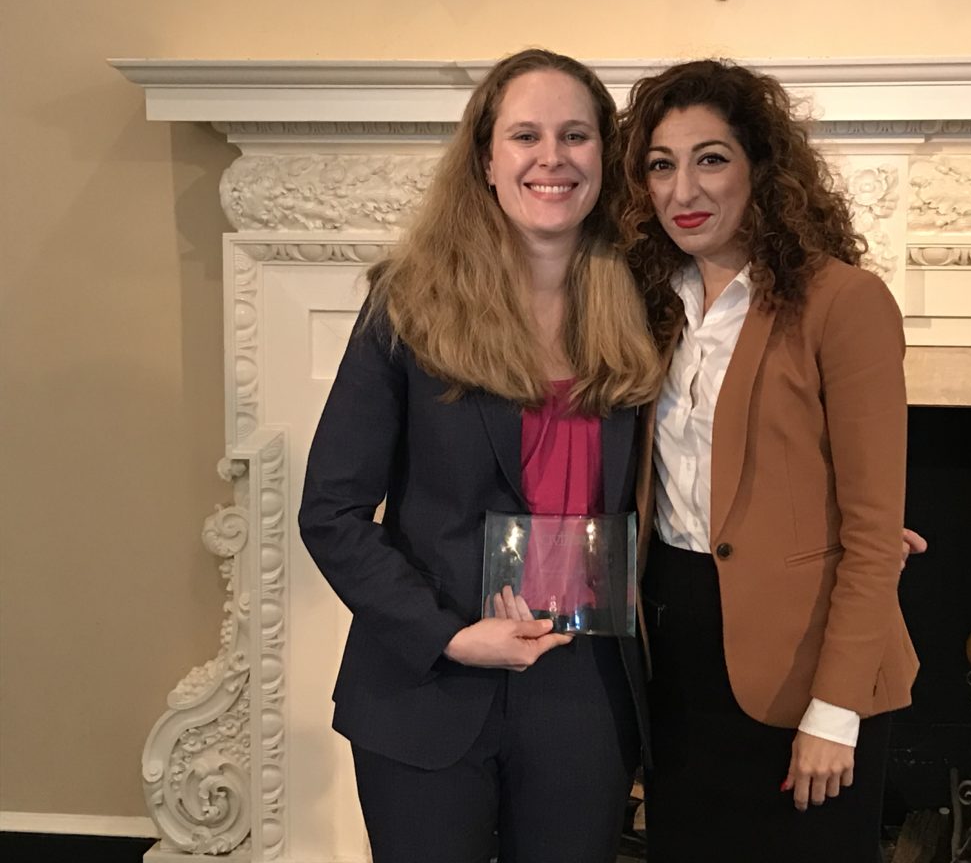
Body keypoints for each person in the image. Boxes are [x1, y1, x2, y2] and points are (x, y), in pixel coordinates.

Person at [298, 48, 662, 863]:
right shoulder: (408, 305)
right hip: (430, 680)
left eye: (576, 135)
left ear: (606, 155)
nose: (552, 158)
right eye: (525, 135)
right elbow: (330, 511)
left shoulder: (647, 308)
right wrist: (450, 636)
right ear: (487, 161)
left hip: (585, 689)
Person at [618, 59, 919, 863]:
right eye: (661, 164)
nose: (684, 189)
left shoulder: (843, 302)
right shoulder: (649, 305)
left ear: (762, 168)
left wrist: (835, 710)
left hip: (806, 665)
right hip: (676, 650)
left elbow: (872, 529)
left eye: (710, 158)